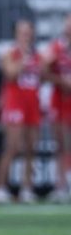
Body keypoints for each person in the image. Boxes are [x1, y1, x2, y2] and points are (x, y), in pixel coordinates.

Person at [0, 19, 42, 204]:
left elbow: (42, 76)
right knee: (12, 148)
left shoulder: (38, 55)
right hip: (15, 104)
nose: (26, 36)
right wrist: (23, 59)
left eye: (29, 32)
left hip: (32, 104)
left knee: (31, 149)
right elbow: (10, 73)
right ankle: (0, 187)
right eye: (23, 32)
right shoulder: (9, 53)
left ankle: (27, 188)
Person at [41, 13, 71, 203]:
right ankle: (61, 185)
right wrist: (61, 81)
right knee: (61, 143)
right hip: (60, 100)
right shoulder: (55, 48)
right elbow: (43, 73)